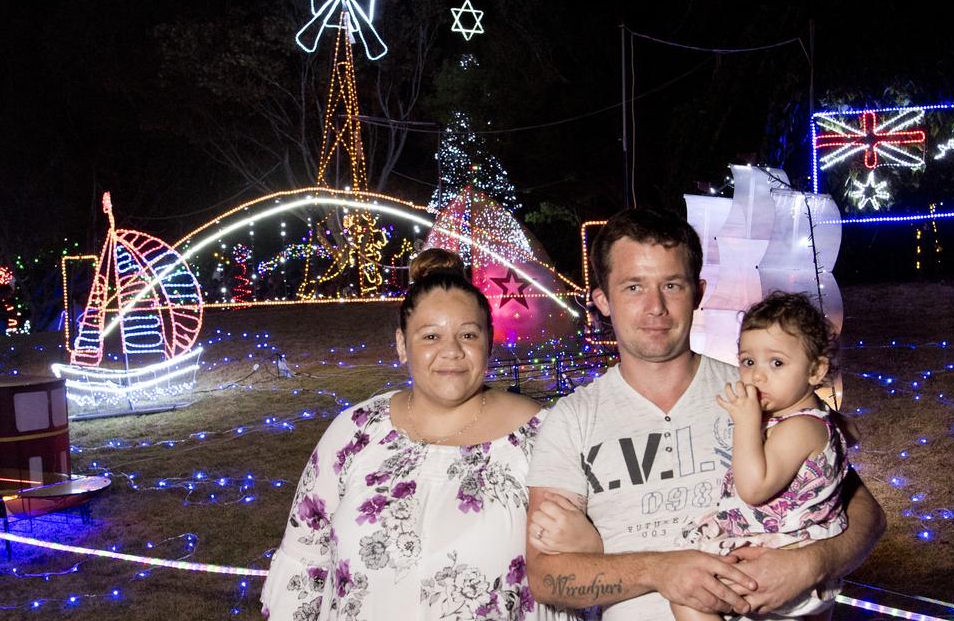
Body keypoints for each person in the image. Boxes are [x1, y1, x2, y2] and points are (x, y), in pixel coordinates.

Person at [525, 208, 886, 620]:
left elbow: (866, 514)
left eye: (672, 285)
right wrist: (660, 570)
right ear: (603, 300)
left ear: (698, 292)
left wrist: (810, 564)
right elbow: (547, 576)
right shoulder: (572, 420)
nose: (655, 306)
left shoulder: (764, 392)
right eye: (633, 287)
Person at [261, 248, 596, 620]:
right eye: (431, 336)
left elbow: (578, 573)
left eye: (467, 334)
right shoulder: (354, 433)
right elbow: (305, 561)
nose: (451, 351)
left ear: (489, 342)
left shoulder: (541, 438)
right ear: (403, 345)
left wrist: (593, 547)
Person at [671, 292, 851, 621]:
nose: (757, 375)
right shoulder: (804, 418)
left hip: (784, 564)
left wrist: (746, 422)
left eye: (777, 363)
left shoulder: (799, 428)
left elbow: (754, 488)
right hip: (780, 553)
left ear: (815, 370)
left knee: (689, 596)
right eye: (748, 361)